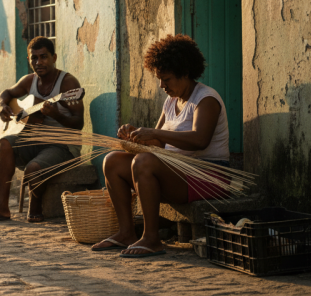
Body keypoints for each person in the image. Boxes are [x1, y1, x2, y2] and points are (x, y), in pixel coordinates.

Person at [92, 34, 230, 258]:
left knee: (143, 162)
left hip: (208, 175)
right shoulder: (171, 101)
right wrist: (134, 136)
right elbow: (157, 143)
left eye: (166, 79)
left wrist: (153, 132)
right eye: (159, 79)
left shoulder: (206, 99)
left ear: (184, 73)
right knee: (113, 161)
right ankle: (127, 232)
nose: (161, 86)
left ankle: (151, 238)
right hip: (177, 171)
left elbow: (200, 140)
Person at [0, 37, 84, 224]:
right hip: (34, 140)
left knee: (33, 168)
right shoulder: (29, 81)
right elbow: (7, 93)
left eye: (43, 57)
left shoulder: (68, 84)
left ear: (54, 57)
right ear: (29, 59)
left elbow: (78, 123)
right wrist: (2, 105)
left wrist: (56, 115)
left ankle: (35, 204)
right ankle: (1, 206)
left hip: (62, 146)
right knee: (5, 143)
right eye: (34, 58)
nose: (38, 62)